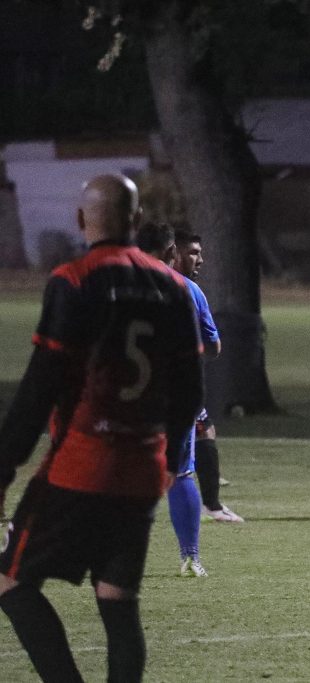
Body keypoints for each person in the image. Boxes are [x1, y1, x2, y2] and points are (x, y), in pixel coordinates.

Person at [0, 175, 203, 681]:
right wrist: (169, 460)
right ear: (137, 220)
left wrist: (4, 467)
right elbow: (191, 392)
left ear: (79, 219)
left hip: (82, 463)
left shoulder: (74, 279)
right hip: (142, 471)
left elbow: (40, 387)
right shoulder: (175, 287)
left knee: (11, 581)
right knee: (117, 599)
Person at [174, 229, 243, 524]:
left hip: (134, 385)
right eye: (193, 253)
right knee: (196, 440)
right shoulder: (190, 290)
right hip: (177, 384)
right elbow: (214, 348)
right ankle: (211, 507)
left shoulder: (137, 282)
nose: (200, 260)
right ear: (173, 252)